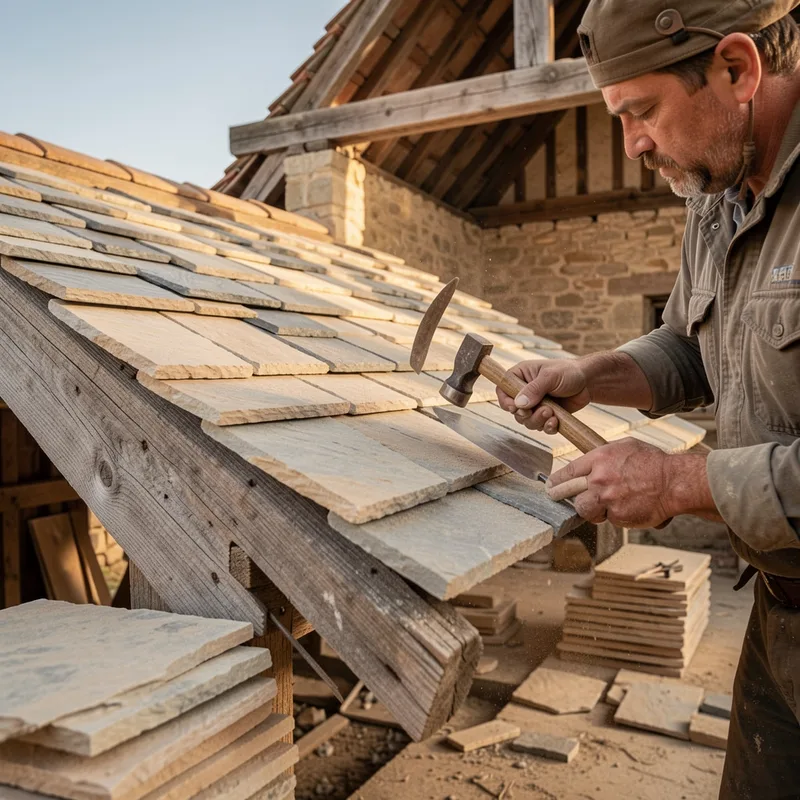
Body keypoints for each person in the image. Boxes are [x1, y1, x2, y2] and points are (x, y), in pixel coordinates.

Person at [497, 3, 800, 797]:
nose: (632, 145)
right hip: (779, 613)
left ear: (737, 69)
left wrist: (678, 484)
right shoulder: (717, 190)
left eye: (642, 112)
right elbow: (691, 349)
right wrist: (591, 375)